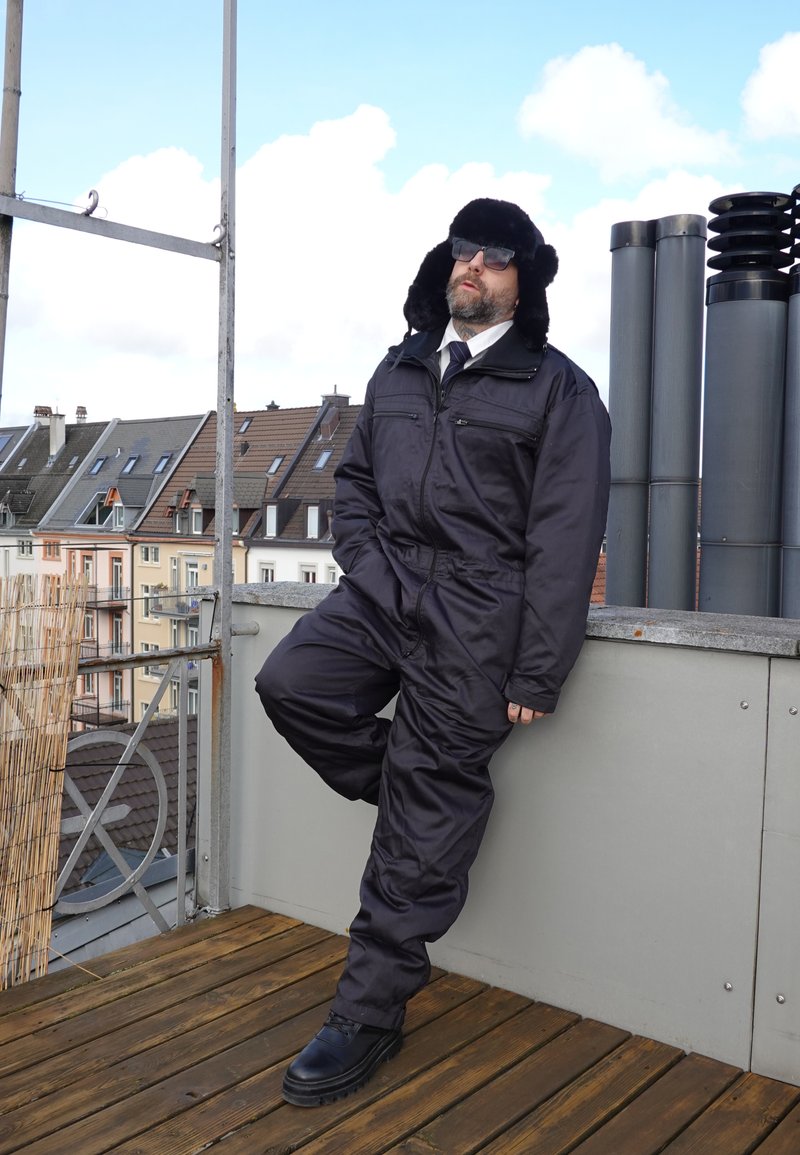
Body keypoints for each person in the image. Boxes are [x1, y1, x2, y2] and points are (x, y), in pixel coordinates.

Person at [255, 197, 611, 1107]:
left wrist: (537, 669)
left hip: (482, 615)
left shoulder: (560, 391)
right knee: (290, 680)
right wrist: (379, 575)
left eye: (494, 258)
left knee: (421, 815)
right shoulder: (403, 367)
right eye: (463, 252)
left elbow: (565, 542)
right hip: (383, 593)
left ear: (523, 281)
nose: (473, 268)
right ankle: (417, 794)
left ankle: (368, 1012)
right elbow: (356, 489)